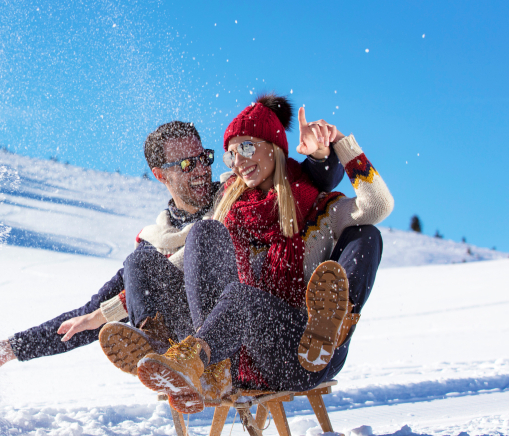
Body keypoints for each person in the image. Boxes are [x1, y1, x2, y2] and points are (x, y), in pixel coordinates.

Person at [0, 117, 345, 380]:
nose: (200, 170)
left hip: (249, 330)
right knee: (139, 263)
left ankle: (197, 358)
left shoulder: (240, 194)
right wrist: (11, 348)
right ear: (160, 174)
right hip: (188, 344)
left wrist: (321, 155)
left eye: (203, 158)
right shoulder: (157, 238)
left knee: (203, 236)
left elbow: (307, 183)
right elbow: (91, 314)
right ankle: (156, 344)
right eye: (185, 163)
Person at [124, 94, 392, 414]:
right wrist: (124, 303)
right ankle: (165, 355)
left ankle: (331, 323)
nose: (238, 161)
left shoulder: (317, 210)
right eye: (230, 155)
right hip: (233, 360)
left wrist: (341, 145)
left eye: (247, 148)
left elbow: (378, 206)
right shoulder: (229, 212)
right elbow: (185, 266)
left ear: (274, 147)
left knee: (366, 235)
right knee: (145, 259)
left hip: (300, 352)